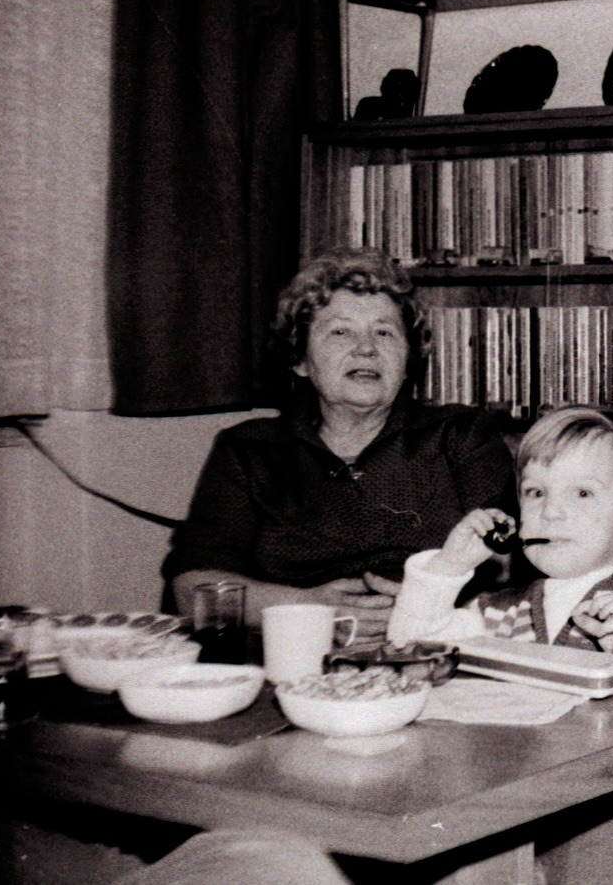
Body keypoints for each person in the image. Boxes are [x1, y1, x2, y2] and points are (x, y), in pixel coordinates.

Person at [163, 248, 517, 640]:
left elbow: (514, 568)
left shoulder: (462, 435)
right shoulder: (248, 451)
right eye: (340, 331)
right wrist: (307, 610)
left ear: (407, 362)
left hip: (439, 651)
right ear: (300, 359)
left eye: (384, 332)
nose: (366, 348)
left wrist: (428, 607)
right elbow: (191, 590)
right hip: (294, 658)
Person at [388, 404, 613, 689]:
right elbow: (409, 646)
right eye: (536, 492)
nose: (549, 511)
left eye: (582, 493)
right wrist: (448, 567)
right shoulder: (501, 613)